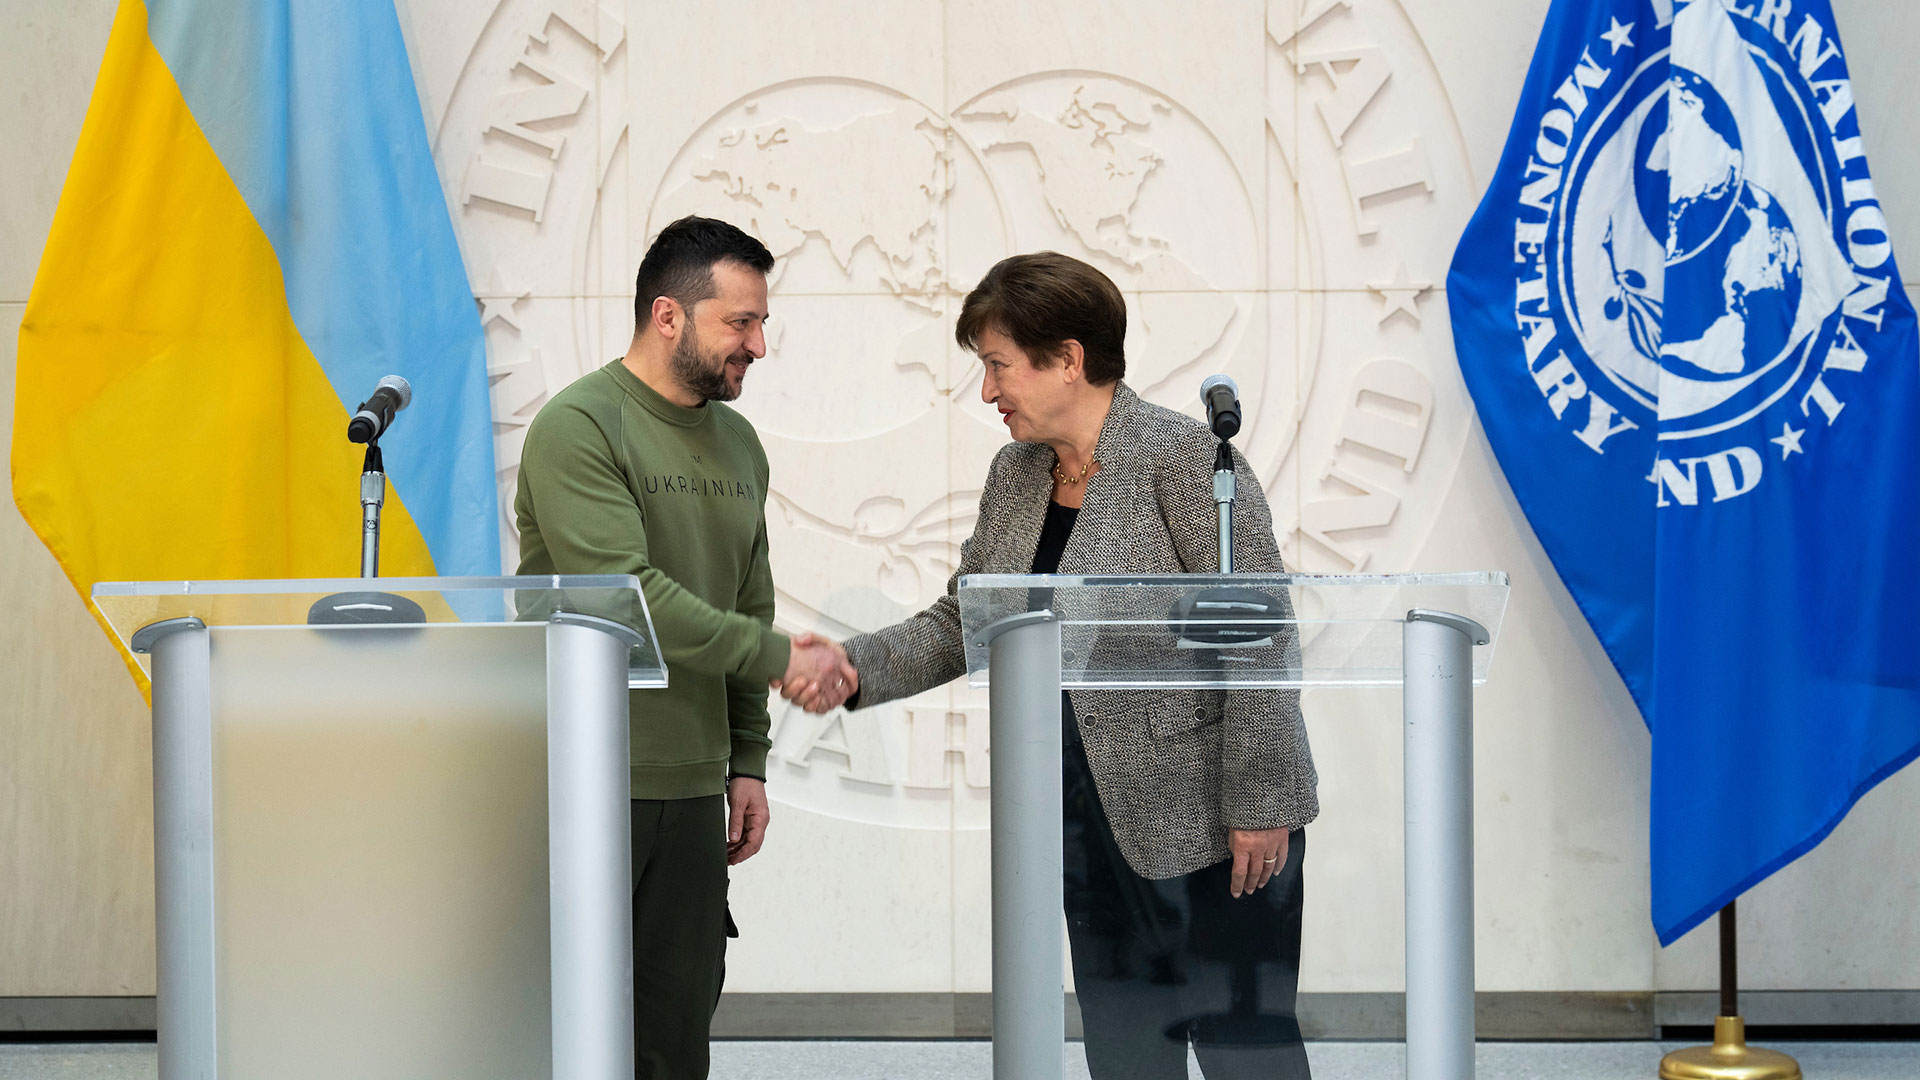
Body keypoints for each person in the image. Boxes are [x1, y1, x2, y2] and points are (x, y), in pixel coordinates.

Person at [785, 252, 1318, 1079]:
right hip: (1081, 818)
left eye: (998, 366)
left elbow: (1258, 633)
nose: (989, 392)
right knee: (1124, 1049)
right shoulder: (1017, 474)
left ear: (1068, 359)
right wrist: (854, 666)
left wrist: (1260, 801)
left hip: (1214, 821)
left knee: (1246, 1049)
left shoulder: (1186, 460)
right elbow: (966, 616)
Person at [515, 214, 855, 1079]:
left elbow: (746, 595)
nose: (759, 345)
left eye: (761, 322)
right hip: (585, 781)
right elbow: (631, 598)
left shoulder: (738, 442)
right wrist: (783, 658)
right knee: (569, 1034)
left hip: (695, 786)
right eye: (740, 322)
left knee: (675, 1035)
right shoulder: (579, 427)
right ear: (669, 317)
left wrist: (747, 758)